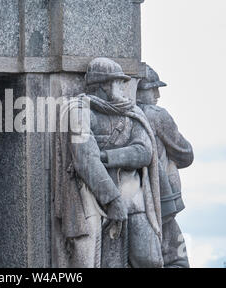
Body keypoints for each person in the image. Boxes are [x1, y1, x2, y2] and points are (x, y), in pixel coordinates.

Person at [55, 57, 163, 268]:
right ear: (104, 85)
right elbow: (85, 157)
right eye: (118, 82)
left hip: (133, 197)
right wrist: (113, 200)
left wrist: (106, 157)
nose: (123, 87)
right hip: (90, 199)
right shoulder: (79, 111)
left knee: (150, 259)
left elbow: (144, 152)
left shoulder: (132, 113)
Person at [137, 65, 194, 268]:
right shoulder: (156, 115)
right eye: (152, 88)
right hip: (161, 202)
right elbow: (186, 154)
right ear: (138, 90)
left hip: (135, 202)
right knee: (177, 260)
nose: (157, 94)